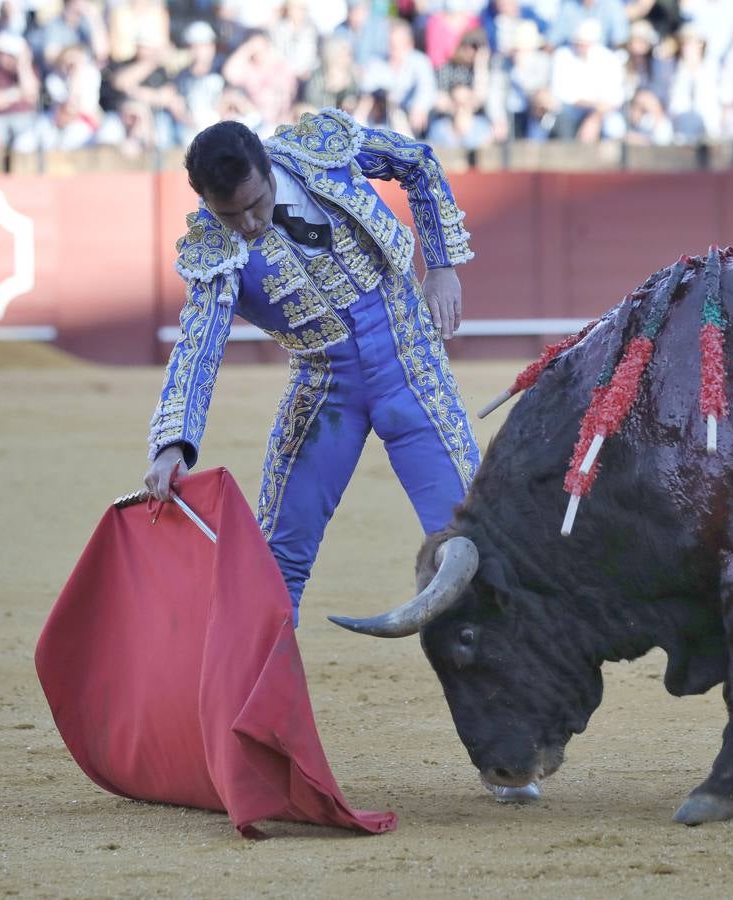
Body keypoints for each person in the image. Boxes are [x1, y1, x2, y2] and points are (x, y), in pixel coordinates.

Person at [143, 108, 539, 805]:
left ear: (268, 168)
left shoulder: (319, 149)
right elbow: (199, 345)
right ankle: (247, 745)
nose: (249, 226)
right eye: (230, 215)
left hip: (410, 368)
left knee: (469, 554)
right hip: (323, 387)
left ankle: (506, 746)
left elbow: (416, 160)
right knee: (271, 570)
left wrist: (441, 265)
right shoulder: (214, 246)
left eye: (256, 206)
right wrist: (171, 441)